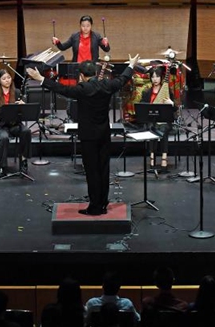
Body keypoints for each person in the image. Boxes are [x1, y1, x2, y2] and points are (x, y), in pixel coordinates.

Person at [27, 53, 139, 215]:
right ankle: (103, 202)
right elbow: (122, 79)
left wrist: (40, 79)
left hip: (88, 136)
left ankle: (94, 207)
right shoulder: (106, 85)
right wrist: (131, 65)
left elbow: (61, 89)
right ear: (94, 72)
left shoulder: (82, 89)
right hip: (104, 134)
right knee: (103, 169)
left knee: (92, 171)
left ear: (82, 75)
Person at [0, 69, 32, 177]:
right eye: (4, 78)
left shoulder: (17, 92)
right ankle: (3, 166)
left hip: (13, 124)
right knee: (4, 137)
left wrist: (23, 106)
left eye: (9, 78)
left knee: (26, 131)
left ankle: (24, 160)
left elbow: (21, 113)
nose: (7, 80)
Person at [138, 66, 175, 169]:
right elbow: (142, 107)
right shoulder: (146, 92)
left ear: (161, 78)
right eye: (153, 77)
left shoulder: (167, 91)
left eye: (157, 77)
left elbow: (174, 109)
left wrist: (171, 103)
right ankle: (152, 155)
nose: (155, 79)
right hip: (151, 120)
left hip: (164, 120)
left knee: (163, 129)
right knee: (152, 128)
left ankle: (164, 156)